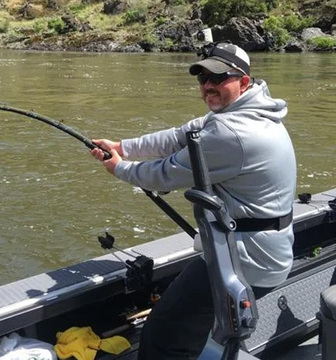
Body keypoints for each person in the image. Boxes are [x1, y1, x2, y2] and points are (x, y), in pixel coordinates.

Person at [90, 42, 297, 359]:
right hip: (263, 251)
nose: (208, 86)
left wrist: (119, 168)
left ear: (243, 81)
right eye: (203, 79)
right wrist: (123, 146)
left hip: (246, 261)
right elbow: (179, 136)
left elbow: (166, 173)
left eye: (218, 78)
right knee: (185, 323)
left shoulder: (234, 132)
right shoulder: (250, 111)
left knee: (163, 335)